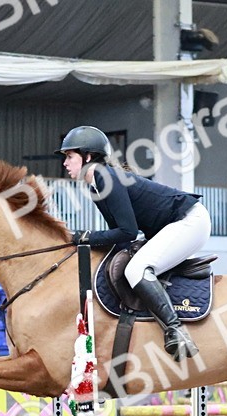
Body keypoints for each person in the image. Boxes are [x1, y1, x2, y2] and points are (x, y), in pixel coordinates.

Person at [57, 125, 210, 361]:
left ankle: (175, 329)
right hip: (174, 224)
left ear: (88, 157)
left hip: (190, 221)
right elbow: (118, 235)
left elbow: (127, 232)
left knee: (137, 269)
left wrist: (82, 238)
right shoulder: (97, 184)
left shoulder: (104, 176)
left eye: (69, 156)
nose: (65, 163)